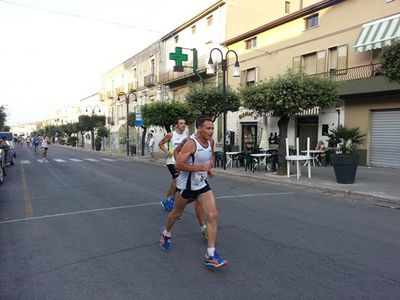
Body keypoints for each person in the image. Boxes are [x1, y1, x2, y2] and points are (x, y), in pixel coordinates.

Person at [160, 116, 228, 268]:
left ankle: (210, 255)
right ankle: (166, 232)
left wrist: (208, 169)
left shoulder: (210, 142)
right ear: (199, 129)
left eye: (212, 128)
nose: (211, 131)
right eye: (208, 128)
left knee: (213, 214)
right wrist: (199, 168)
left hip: (202, 185)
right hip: (186, 187)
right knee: (176, 214)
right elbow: (178, 165)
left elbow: (209, 158)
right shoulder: (191, 144)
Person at [158, 118, 208, 242]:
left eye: (185, 123)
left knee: (180, 186)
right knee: (176, 180)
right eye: (181, 123)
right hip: (172, 162)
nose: (183, 125)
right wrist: (167, 152)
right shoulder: (171, 135)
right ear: (176, 125)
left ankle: (171, 201)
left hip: (185, 167)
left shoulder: (187, 136)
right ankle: (170, 200)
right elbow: (160, 144)